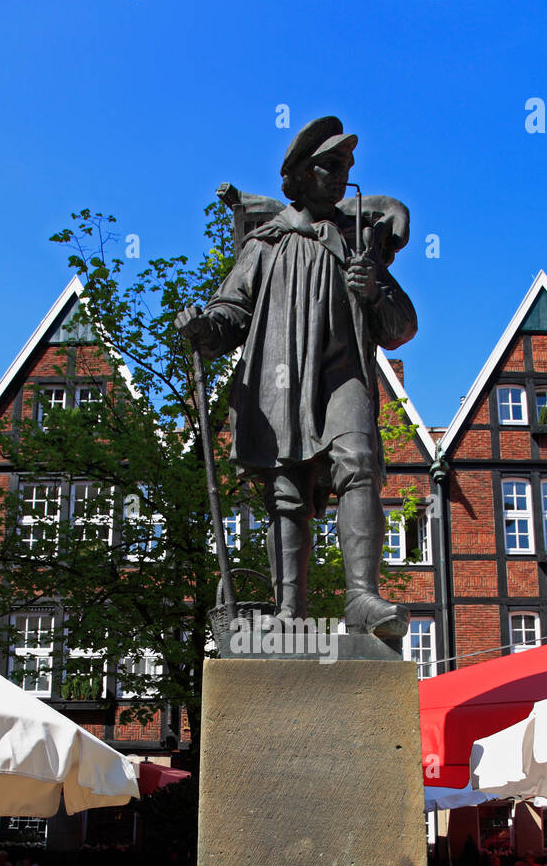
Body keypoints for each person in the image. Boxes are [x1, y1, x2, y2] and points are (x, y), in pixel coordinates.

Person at [175, 115, 418, 638]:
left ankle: (360, 597)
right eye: (329, 165)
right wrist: (205, 327)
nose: (339, 175)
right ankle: (289, 614)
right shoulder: (266, 245)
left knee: (359, 462)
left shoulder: (358, 244)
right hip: (279, 380)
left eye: (346, 167)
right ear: (301, 175)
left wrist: (375, 289)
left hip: (343, 373)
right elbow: (231, 312)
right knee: (287, 492)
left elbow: (400, 329)